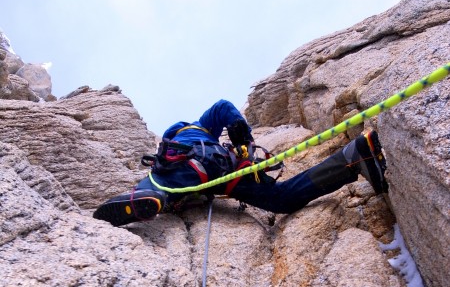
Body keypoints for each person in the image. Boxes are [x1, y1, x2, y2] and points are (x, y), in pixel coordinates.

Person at [93, 99, 388, 227]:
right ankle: (355, 156)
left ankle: (144, 196)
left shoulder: (185, 133)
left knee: (161, 178)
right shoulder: (200, 128)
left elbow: (220, 109)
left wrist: (239, 135)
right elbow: (224, 107)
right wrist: (241, 137)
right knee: (281, 198)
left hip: (196, 168)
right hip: (230, 172)